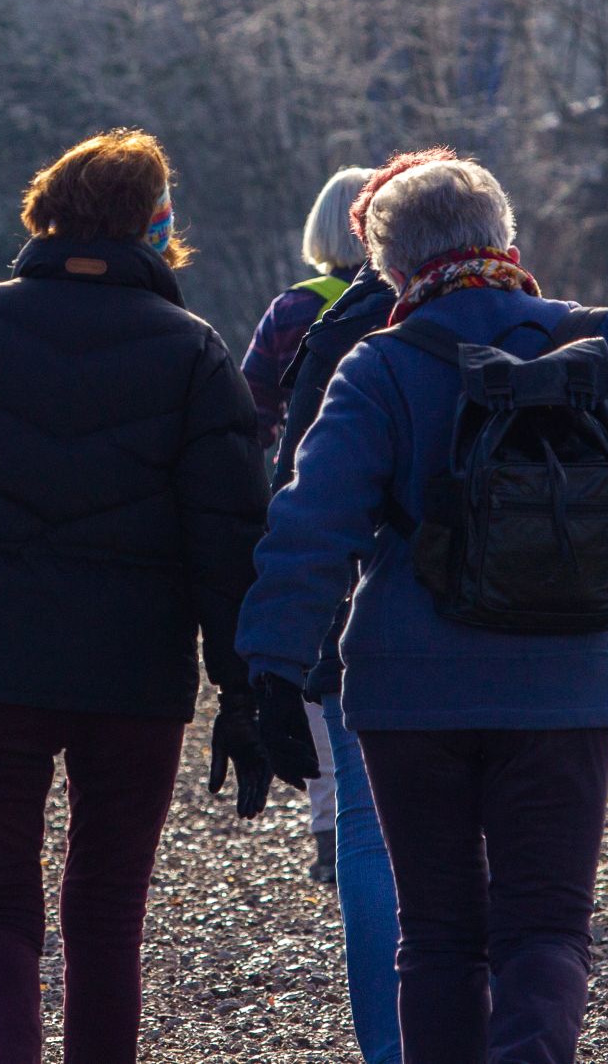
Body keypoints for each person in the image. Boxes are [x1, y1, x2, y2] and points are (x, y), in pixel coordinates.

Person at [236, 157, 608, 1064]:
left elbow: (312, 522)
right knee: (544, 928)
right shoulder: (607, 343)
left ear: (389, 267)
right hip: (563, 683)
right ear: (505, 240)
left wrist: (269, 669)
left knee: (437, 935)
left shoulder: (378, 367)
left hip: (407, 691)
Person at [0, 129, 273, 1064]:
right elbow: (229, 538)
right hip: (134, 670)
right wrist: (243, 686)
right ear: (155, 230)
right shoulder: (194, 353)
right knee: (108, 910)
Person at [256, 148, 449, 1064]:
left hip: (367, 620)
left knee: (372, 835)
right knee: (494, 847)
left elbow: (302, 489)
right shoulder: (546, 320)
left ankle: (390, 1047)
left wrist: (274, 653)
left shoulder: (333, 327)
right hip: (517, 625)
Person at [239, 165, 375, 886]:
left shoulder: (294, 309)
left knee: (320, 658)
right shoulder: (407, 298)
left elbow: (252, 413)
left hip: (310, 498)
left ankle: (331, 825)